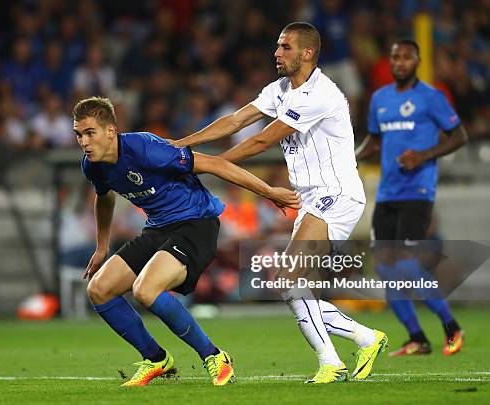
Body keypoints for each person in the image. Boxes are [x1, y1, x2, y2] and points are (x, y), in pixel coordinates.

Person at [174, 22, 386, 384]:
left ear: (307, 53)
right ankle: (366, 338)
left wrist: (210, 165)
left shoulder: (319, 94)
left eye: (285, 47)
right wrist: (181, 146)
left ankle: (330, 363)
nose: (276, 53)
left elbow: (261, 141)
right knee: (292, 284)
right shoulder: (281, 89)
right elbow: (237, 119)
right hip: (313, 198)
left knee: (290, 278)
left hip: (335, 193)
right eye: (277, 46)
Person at [75, 96, 301, 387]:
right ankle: (156, 359)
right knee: (99, 289)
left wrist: (269, 192)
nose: (83, 141)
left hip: (197, 224)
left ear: (110, 131)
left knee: (146, 289)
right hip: (158, 229)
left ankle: (214, 355)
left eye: (89, 133)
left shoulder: (146, 148)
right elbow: (103, 198)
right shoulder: (92, 166)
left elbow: (216, 164)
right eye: (79, 134)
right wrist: (102, 246)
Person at [356, 39, 468, 356]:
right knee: (385, 268)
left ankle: (452, 327)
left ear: (418, 60)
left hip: (416, 192)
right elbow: (375, 142)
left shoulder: (431, 98)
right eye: (395, 57)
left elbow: (459, 136)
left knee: (406, 265)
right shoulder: (380, 99)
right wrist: (351, 159)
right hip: (388, 192)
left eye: (406, 57)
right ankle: (417, 337)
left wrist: (424, 155)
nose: (400, 62)